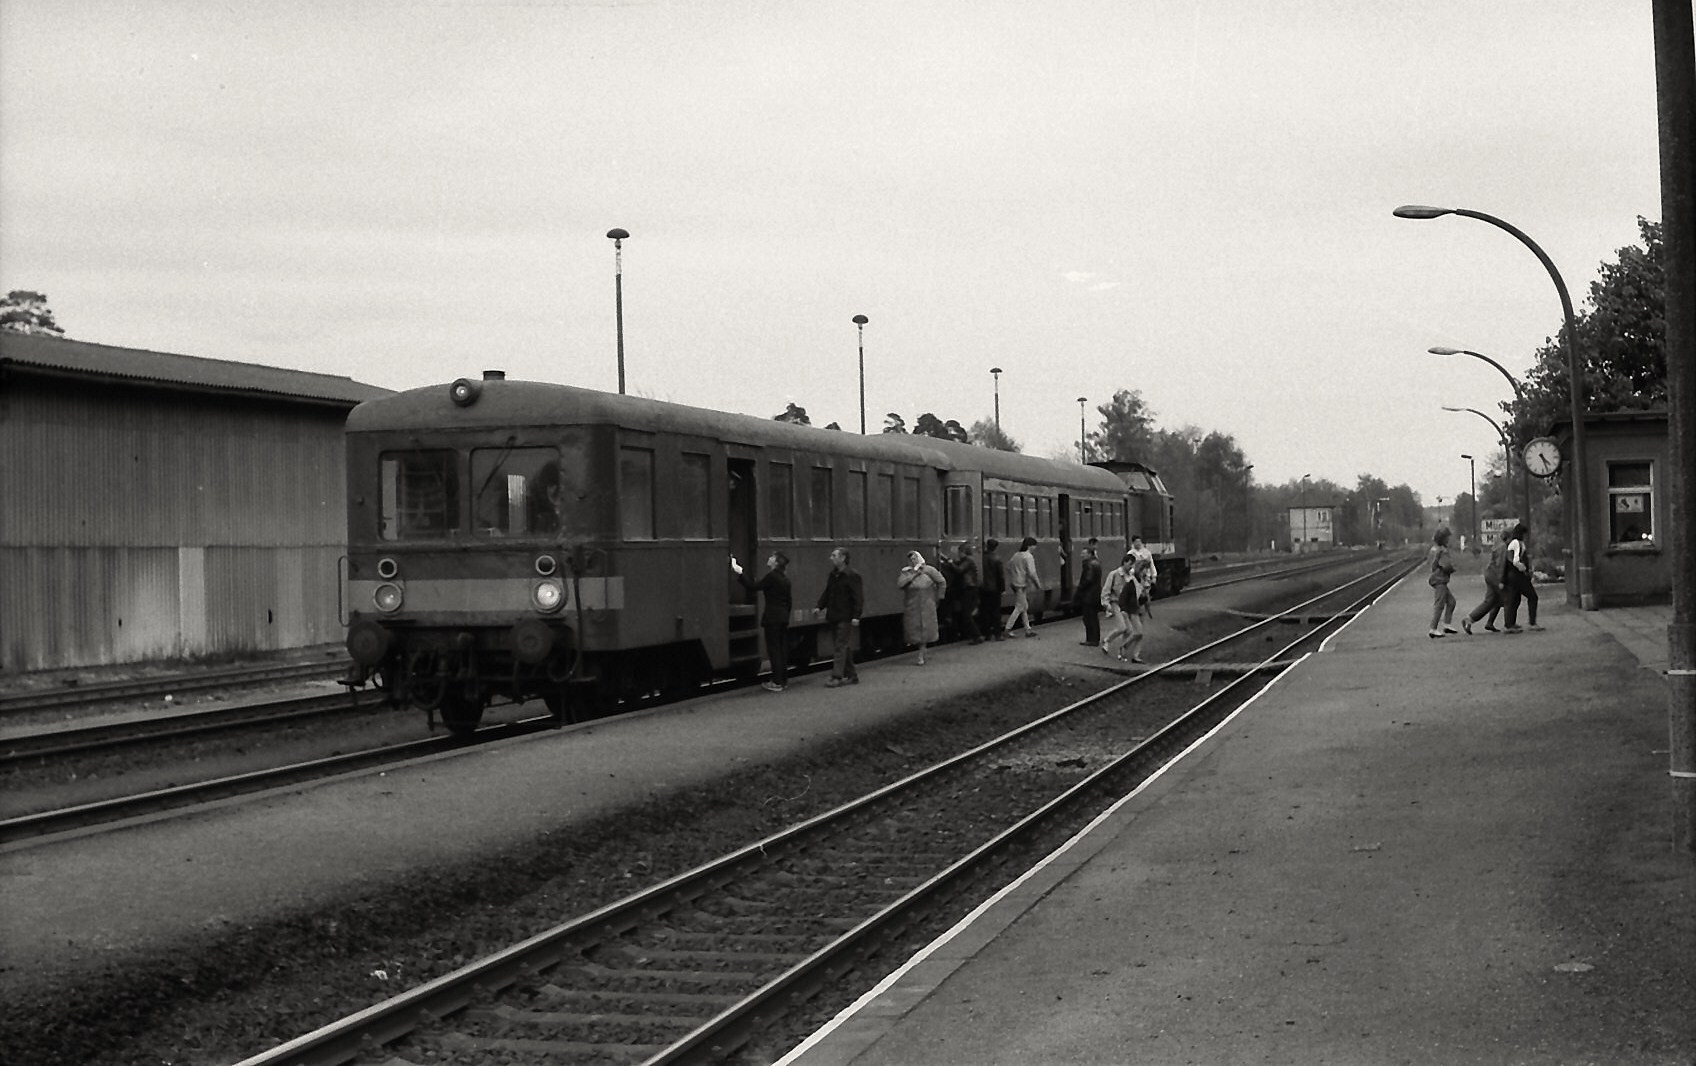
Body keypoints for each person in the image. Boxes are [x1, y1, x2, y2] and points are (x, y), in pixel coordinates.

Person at [731, 550, 792, 691]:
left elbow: (753, 587)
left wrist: (740, 573)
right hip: (783, 618)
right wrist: (785, 616)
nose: (769, 558)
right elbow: (789, 602)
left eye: (772, 557)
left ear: (776, 562)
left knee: (774, 650)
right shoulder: (785, 579)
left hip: (772, 618)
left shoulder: (772, 577)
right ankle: (783, 680)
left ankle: (776, 682)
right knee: (782, 650)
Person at [816, 546, 863, 685]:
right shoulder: (833, 575)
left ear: (843, 558)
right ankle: (852, 675)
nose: (831, 558)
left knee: (839, 646)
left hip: (846, 616)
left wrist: (856, 615)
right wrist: (819, 606)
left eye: (834, 556)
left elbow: (858, 597)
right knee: (843, 645)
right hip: (834, 615)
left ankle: (837, 677)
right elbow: (827, 592)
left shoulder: (852, 576)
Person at [897, 551, 947, 665]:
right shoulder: (906, 572)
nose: (913, 561)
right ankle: (922, 652)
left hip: (927, 604)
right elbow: (900, 584)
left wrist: (939, 597)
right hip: (912, 606)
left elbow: (941, 582)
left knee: (925, 629)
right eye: (911, 559)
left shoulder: (929, 570)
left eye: (915, 558)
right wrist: (914, 574)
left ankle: (921, 654)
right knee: (914, 631)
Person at [1461, 534, 1508, 635]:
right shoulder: (1503, 547)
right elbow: (1500, 565)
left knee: (1492, 600)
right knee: (1508, 598)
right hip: (1494, 575)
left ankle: (1471, 620)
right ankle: (1510, 625)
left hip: (1489, 574)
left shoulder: (1498, 545)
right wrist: (1500, 581)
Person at [1500, 522, 1541, 633]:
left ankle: (1509, 624)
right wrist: (1523, 569)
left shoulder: (1513, 543)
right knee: (1533, 597)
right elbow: (1515, 560)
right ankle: (1532, 623)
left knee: (1514, 599)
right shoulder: (1517, 543)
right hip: (1518, 576)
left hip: (1511, 576)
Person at [1003, 536, 1042, 638]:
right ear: (1029, 546)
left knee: (1024, 606)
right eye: (1034, 546)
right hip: (1021, 584)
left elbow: (1008, 566)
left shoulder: (1016, 555)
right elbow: (1032, 573)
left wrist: (1015, 574)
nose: (1035, 548)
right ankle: (1007, 629)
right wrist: (1037, 584)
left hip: (1015, 583)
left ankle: (1028, 629)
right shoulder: (1028, 557)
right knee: (1020, 607)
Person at [1426, 526, 1458, 638]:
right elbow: (1446, 565)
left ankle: (1447, 624)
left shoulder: (1434, 549)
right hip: (1440, 579)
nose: (1449, 539)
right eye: (1448, 537)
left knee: (1451, 602)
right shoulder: (1443, 551)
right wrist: (1452, 568)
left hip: (1437, 578)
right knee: (1439, 604)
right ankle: (1433, 628)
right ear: (1444, 538)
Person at [1101, 552, 1134, 658]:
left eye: (1132, 564)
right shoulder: (1114, 574)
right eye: (1130, 564)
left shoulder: (1131, 576)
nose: (1131, 567)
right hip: (1115, 603)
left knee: (1129, 630)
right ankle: (1107, 640)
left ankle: (1121, 651)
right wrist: (1106, 604)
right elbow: (1106, 590)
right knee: (1122, 627)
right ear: (1124, 563)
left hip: (1126, 605)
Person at [950, 542, 983, 644]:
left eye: (959, 552)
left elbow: (959, 570)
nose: (958, 554)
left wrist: (950, 563)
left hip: (969, 589)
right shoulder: (968, 560)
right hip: (969, 588)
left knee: (966, 615)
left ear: (963, 552)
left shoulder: (968, 561)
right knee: (966, 614)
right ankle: (974, 636)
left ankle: (977, 636)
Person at [1073, 543, 1103, 646]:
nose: (1081, 555)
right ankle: (1095, 639)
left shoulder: (1088, 564)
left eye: (1084, 553)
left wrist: (1080, 588)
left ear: (1089, 554)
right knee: (1093, 618)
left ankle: (1091, 639)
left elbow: (1088, 579)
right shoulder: (1096, 562)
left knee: (1088, 618)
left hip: (1088, 595)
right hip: (1095, 594)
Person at [979, 538, 1007, 639]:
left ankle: (987, 634)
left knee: (985, 611)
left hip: (983, 588)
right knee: (996, 612)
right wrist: (1002, 588)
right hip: (995, 589)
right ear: (995, 547)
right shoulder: (997, 559)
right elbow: (1001, 576)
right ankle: (997, 634)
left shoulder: (982, 558)